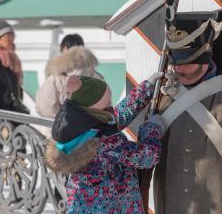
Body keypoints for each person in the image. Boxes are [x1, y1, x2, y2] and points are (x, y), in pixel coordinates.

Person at [153, 12, 222, 214]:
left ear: (204, 58)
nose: (179, 68)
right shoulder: (161, 98)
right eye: (175, 63)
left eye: (186, 62)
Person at [44, 72, 164, 213]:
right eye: (106, 103)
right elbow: (148, 156)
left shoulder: (79, 127)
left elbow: (115, 118)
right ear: (94, 108)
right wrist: (151, 128)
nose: (110, 106)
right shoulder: (104, 144)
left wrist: (146, 89)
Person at [35, 34, 102, 118]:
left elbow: (46, 109)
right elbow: (104, 106)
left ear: (64, 48)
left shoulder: (56, 78)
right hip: (92, 128)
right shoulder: (97, 77)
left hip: (62, 128)